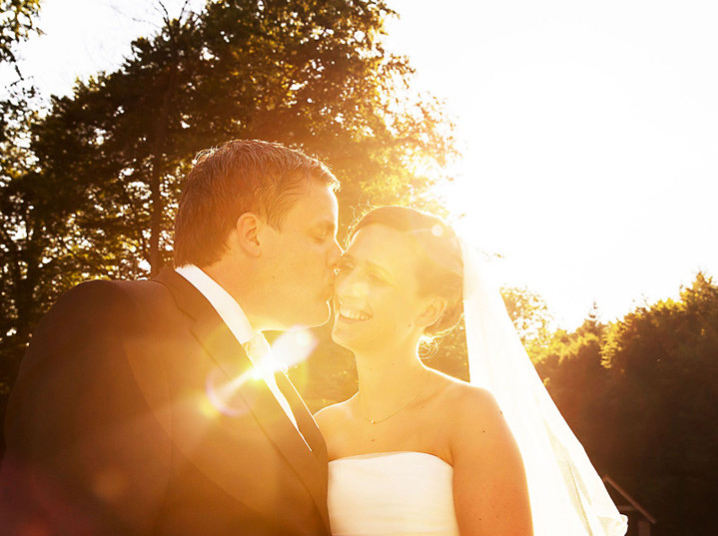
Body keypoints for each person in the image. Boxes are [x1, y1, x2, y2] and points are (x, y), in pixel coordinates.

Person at [0, 140, 341, 535]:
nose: (339, 256)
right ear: (252, 235)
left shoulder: (268, 371)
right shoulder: (118, 320)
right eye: (321, 234)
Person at [316, 206, 628, 536]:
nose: (348, 288)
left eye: (376, 277)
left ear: (429, 309)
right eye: (347, 267)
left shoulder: (469, 414)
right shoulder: (320, 427)